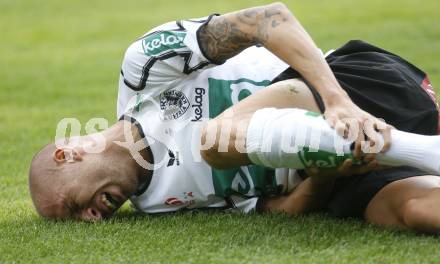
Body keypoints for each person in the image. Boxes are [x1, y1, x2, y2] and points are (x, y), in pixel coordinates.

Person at [28, 3, 440, 233]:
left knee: (214, 140)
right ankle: (419, 151)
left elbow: (269, 20)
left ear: (69, 155)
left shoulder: (143, 70)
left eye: (74, 207)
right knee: (419, 213)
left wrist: (336, 102)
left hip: (354, 87)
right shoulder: (158, 206)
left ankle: (419, 148)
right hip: (346, 169)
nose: (91, 218)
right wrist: (322, 176)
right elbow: (277, 209)